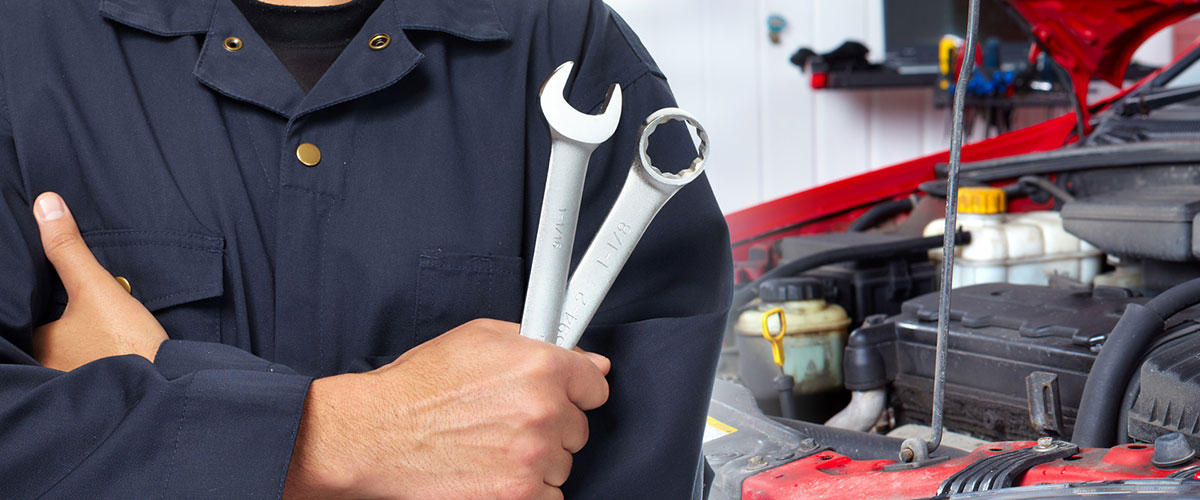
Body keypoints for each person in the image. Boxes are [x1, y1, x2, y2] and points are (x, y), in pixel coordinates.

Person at [0, 0, 732, 497]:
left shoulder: (563, 39)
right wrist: (347, 437)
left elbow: (647, 457)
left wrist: (153, 389)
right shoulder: (20, 48)